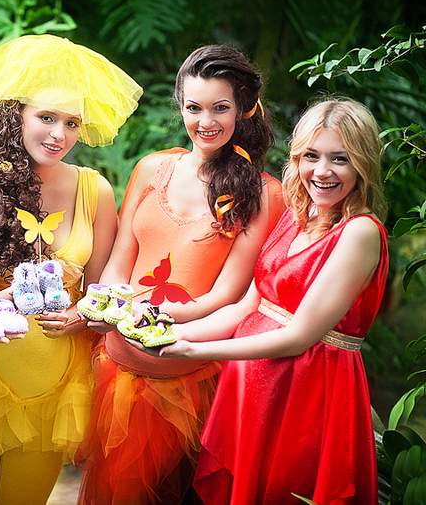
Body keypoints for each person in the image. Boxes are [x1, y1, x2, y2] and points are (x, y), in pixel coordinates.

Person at [0, 34, 142, 505]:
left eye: (71, 122)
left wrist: (84, 314)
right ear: (16, 115)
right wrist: (19, 292)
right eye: (46, 117)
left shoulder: (95, 191)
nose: (59, 134)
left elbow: (98, 291)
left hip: (57, 389)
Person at [143, 98, 388, 504]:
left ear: (362, 163)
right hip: (251, 387)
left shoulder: (359, 232)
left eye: (340, 159)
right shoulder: (297, 213)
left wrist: (192, 350)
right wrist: (171, 330)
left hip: (308, 394)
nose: (322, 171)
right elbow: (246, 308)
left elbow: (298, 337)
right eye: (311, 156)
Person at [75, 44, 287, 504]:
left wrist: (158, 318)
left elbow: (228, 294)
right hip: (116, 367)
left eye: (220, 108)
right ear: (181, 106)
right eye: (194, 108)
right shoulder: (152, 168)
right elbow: (120, 259)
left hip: (188, 380)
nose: (205, 121)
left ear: (245, 108)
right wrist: (105, 305)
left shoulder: (265, 194)